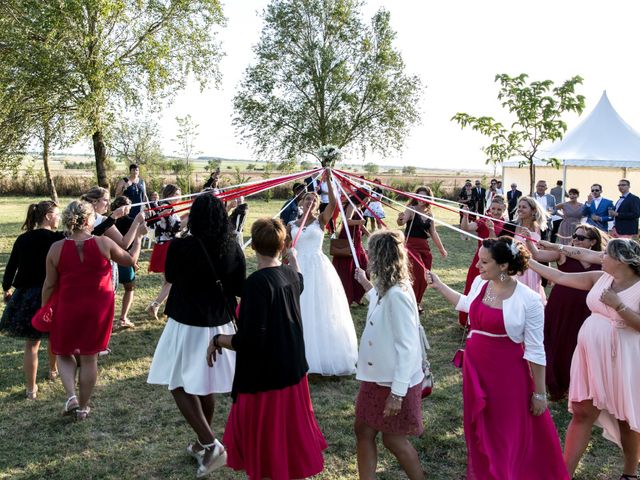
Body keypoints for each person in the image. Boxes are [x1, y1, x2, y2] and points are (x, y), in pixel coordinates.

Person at [427, 237, 569, 479]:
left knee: (504, 433)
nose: (477, 266)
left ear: (503, 266)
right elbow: (467, 305)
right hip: (476, 370)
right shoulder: (480, 283)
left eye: (484, 262)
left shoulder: (529, 300)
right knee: (480, 428)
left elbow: (536, 350)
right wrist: (440, 285)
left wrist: (539, 393)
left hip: (507, 376)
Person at [208, 218, 327, 480]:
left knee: (268, 444)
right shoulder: (289, 277)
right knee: (286, 436)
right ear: (283, 245)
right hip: (292, 371)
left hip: (266, 378)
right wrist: (293, 258)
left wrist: (218, 340)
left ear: (254, 248)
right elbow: (300, 279)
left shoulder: (256, 284)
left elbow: (249, 341)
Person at [147, 194, 245, 477]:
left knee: (178, 383)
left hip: (188, 323)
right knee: (204, 384)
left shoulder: (181, 246)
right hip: (219, 323)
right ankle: (206, 443)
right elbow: (239, 286)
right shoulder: (232, 247)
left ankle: (210, 443)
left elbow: (172, 276)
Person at [526, 239, 640, 479]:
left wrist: (619, 306)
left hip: (623, 359)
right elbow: (559, 277)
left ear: (622, 261)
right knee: (582, 413)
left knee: (626, 419)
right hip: (589, 355)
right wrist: (529, 260)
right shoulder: (600, 278)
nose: (601, 257)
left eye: (606, 255)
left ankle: (629, 473)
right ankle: (564, 474)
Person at [43, 201, 145, 420]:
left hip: (68, 306)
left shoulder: (56, 248)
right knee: (90, 358)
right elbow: (131, 260)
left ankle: (71, 396)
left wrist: (44, 309)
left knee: (63, 352)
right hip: (97, 309)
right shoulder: (104, 243)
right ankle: (83, 407)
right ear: (89, 220)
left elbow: (49, 284)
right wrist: (138, 237)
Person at [353, 230, 426, 480]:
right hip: (377, 376)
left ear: (380, 258)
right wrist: (366, 284)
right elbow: (380, 300)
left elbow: (408, 346)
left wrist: (397, 393)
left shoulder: (397, 294)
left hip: (392, 382)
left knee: (393, 439)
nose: (368, 257)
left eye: (371, 253)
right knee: (363, 430)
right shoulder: (388, 287)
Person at [288, 171, 358, 375]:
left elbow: (334, 203)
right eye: (307, 198)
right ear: (301, 203)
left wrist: (328, 178)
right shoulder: (292, 224)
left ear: (317, 204)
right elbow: (285, 247)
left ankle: (324, 355)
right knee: (299, 306)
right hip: (297, 266)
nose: (310, 201)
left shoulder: (321, 221)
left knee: (320, 306)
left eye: (314, 199)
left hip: (318, 267)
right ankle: (299, 352)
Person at [524, 224, 603, 400]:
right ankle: (554, 379)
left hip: (586, 307)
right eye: (574, 235)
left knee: (576, 342)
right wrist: (529, 241)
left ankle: (576, 381)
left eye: (581, 237)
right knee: (557, 338)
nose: (575, 239)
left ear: (593, 242)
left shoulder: (602, 260)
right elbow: (537, 255)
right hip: (561, 304)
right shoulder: (563, 253)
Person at [1, 201, 63, 399]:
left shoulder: (23, 239)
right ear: (47, 216)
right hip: (50, 294)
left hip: (26, 296)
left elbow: (11, 268)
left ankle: (31, 388)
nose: (59, 218)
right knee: (53, 336)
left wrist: (6, 289)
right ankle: (53, 372)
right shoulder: (58, 238)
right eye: (57, 214)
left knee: (32, 343)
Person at [397, 186, 447, 313]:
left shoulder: (430, 214)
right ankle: (411, 303)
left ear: (428, 198)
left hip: (425, 247)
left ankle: (417, 302)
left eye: (424, 196)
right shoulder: (411, 209)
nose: (421, 199)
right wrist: (400, 218)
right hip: (411, 246)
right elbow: (401, 222)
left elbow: (433, 232)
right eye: (419, 196)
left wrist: (441, 249)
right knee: (418, 274)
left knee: (426, 276)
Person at [458, 197, 508, 326]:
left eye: (499, 209)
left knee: (491, 290)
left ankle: (485, 319)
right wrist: (465, 215)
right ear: (489, 209)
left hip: (496, 264)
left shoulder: (507, 225)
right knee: (473, 288)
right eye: (493, 209)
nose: (496, 212)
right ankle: (467, 320)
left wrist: (491, 229)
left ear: (504, 209)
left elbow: (498, 245)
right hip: (480, 260)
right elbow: (466, 227)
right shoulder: (483, 221)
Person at [146, 184, 184, 320]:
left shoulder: (165, 207)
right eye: (176, 194)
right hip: (167, 246)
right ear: (169, 194)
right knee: (171, 280)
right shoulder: (166, 207)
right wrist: (190, 217)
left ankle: (168, 308)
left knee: (169, 280)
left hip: (164, 245)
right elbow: (173, 229)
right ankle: (155, 305)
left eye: (180, 193)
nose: (179, 196)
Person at [332, 195, 369, 306]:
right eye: (367, 198)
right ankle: (350, 297)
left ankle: (357, 296)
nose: (368, 201)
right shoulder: (351, 206)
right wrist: (359, 222)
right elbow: (346, 221)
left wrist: (369, 234)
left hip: (357, 240)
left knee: (364, 266)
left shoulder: (358, 207)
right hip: (349, 239)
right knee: (349, 268)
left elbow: (360, 225)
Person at [109, 196, 137, 329]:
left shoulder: (107, 220)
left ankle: (111, 319)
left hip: (110, 258)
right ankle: (123, 317)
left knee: (110, 292)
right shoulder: (131, 222)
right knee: (129, 287)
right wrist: (133, 261)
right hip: (123, 258)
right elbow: (130, 243)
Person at [514, 196, 548, 301]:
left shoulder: (541, 229)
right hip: (516, 266)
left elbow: (544, 251)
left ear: (533, 210)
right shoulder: (512, 225)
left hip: (533, 269)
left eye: (524, 207)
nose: (520, 209)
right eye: (519, 206)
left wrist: (546, 273)